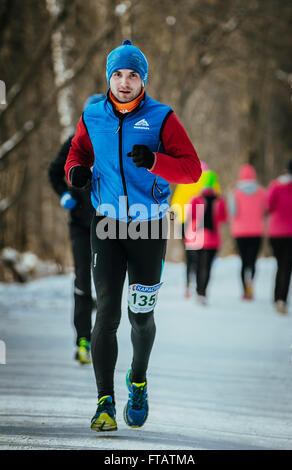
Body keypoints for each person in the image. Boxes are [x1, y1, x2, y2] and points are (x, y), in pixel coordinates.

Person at [64, 40, 201, 431]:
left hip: (150, 227)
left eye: (133, 75)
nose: (125, 82)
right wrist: (75, 172)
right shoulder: (93, 115)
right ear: (109, 78)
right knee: (106, 311)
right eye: (118, 75)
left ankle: (137, 381)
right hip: (106, 225)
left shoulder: (162, 118)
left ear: (144, 80)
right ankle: (103, 403)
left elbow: (190, 169)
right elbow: (77, 153)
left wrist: (157, 161)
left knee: (140, 315)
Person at [48, 94, 105, 364]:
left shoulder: (113, 140)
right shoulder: (73, 141)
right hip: (80, 224)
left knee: (105, 282)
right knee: (83, 279)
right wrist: (64, 195)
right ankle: (83, 339)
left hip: (109, 224)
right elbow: (53, 171)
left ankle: (103, 338)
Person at [171, 162, 221, 298]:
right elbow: (217, 198)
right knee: (201, 256)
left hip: (184, 222)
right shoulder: (210, 178)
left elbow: (175, 204)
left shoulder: (185, 179)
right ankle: (199, 286)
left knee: (189, 256)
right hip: (202, 224)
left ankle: (188, 284)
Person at [184, 170, 227, 304]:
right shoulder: (219, 200)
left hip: (196, 239)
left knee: (197, 265)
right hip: (213, 239)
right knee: (207, 266)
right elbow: (223, 218)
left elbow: (190, 216)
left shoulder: (195, 199)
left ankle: (198, 290)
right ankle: (203, 292)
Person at [228, 164, 266, 300]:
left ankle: (245, 290)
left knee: (243, 262)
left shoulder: (235, 192)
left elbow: (232, 212)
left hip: (240, 232)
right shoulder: (262, 191)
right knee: (253, 261)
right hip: (257, 231)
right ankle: (251, 284)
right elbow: (265, 210)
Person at [267, 159, 292, 314]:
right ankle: (282, 299)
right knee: (288, 267)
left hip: (277, 233)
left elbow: (269, 206)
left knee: (280, 265)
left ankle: (277, 297)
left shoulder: (275, 186)